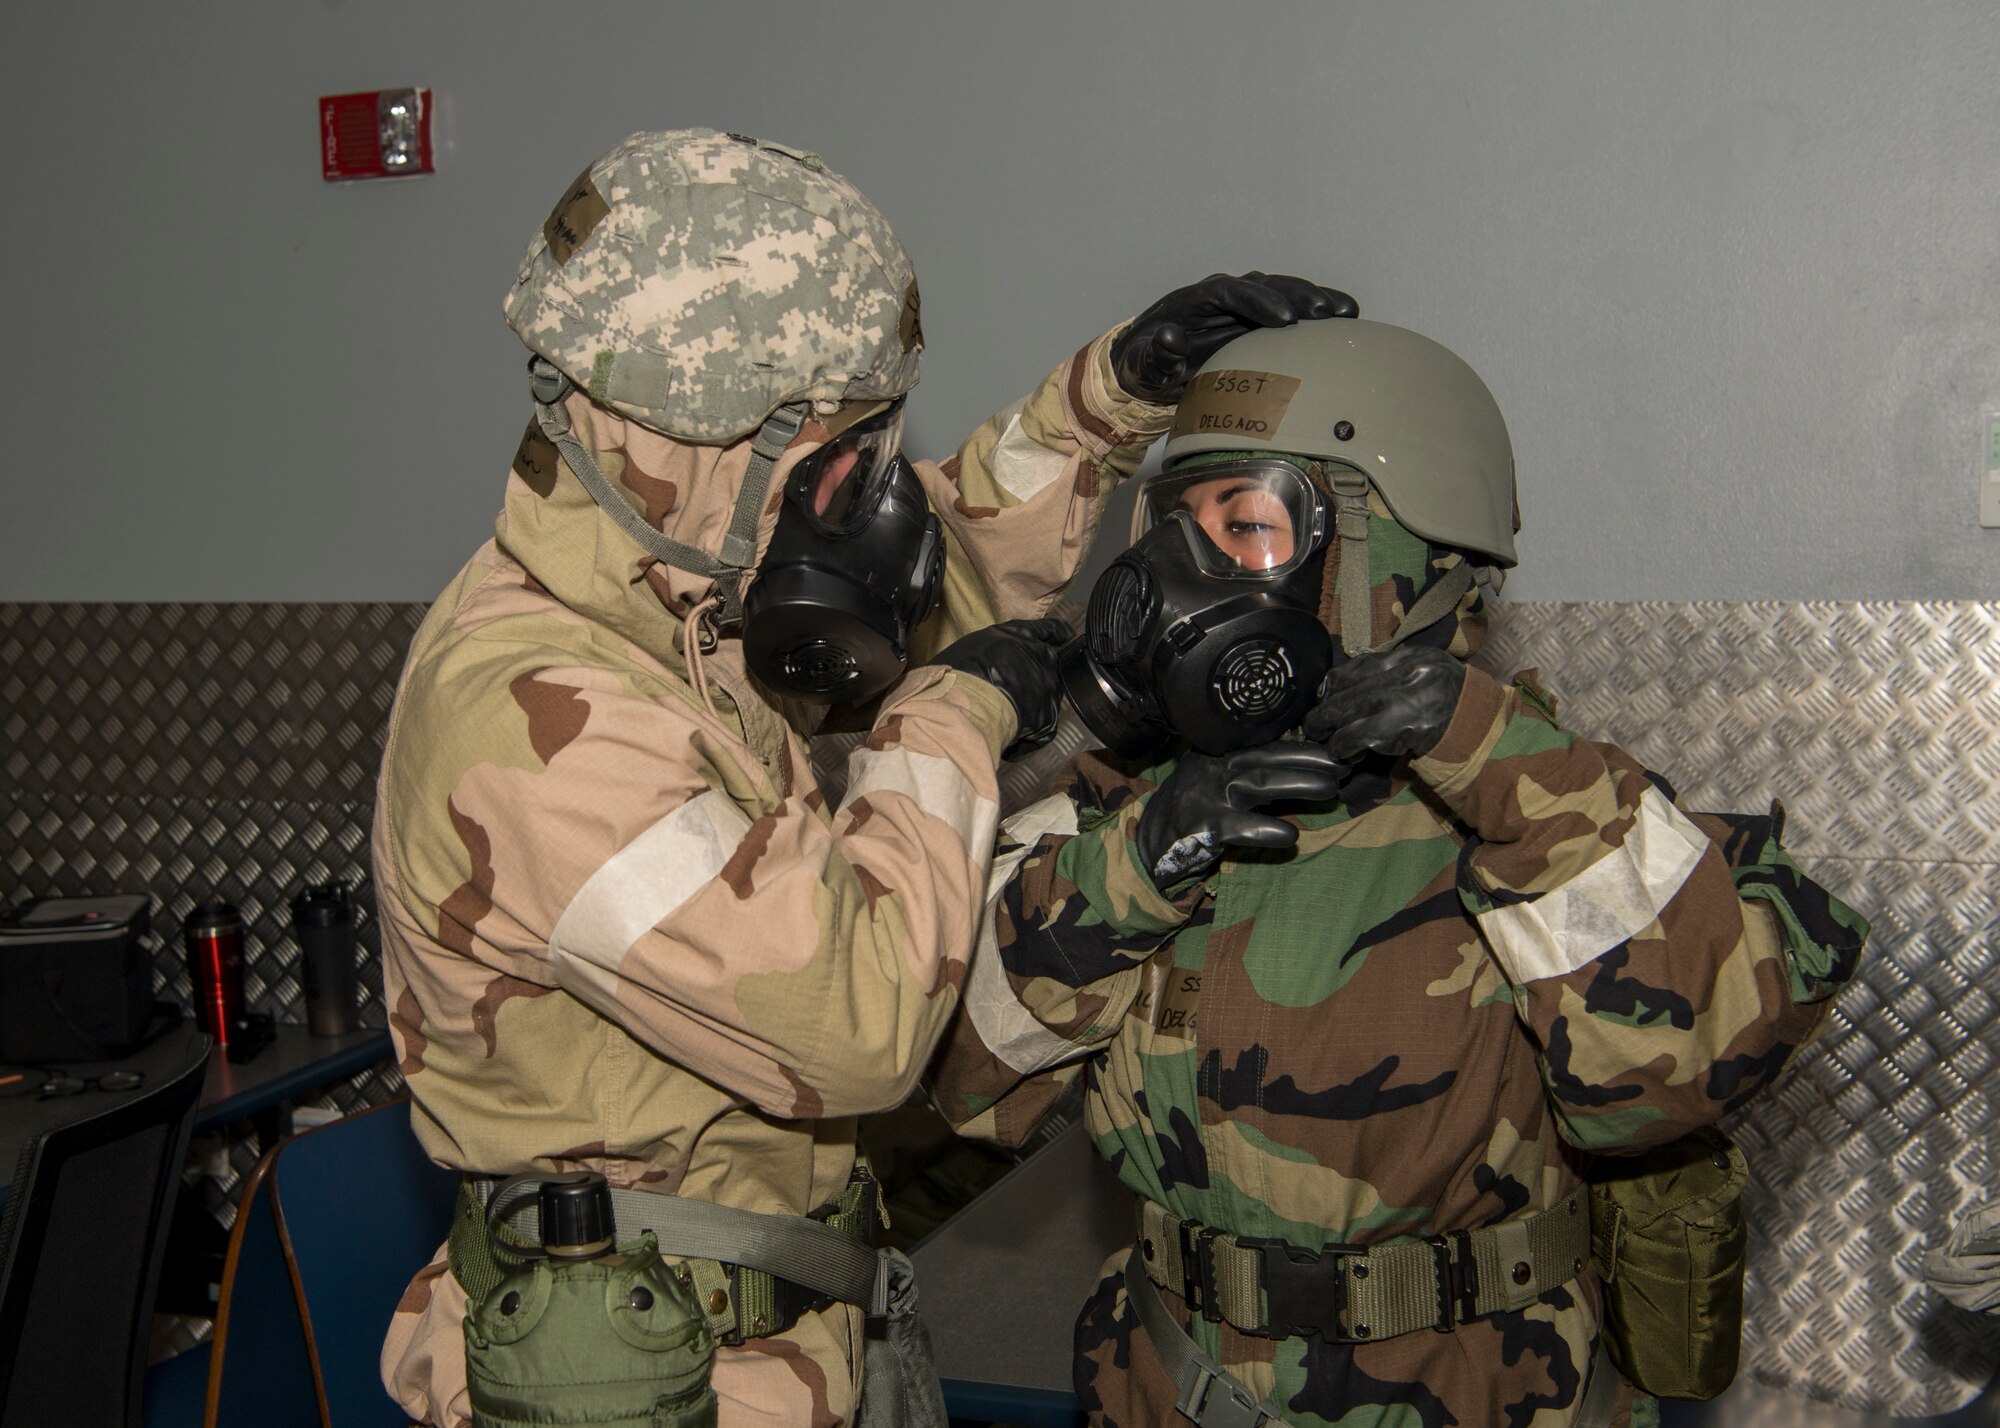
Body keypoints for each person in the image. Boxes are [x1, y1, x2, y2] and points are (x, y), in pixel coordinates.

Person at [372, 125, 1356, 1427]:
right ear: (715, 433)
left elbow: (918, 583)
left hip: (785, 1321)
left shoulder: (681, 616)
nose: (865, 494)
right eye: (845, 453)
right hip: (650, 1376)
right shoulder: (539, 720)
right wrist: (953, 711)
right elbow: (859, 1020)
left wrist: (1108, 399)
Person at [931, 318, 1869, 1427]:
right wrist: (1136, 865)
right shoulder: (1129, 813)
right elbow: (967, 1087)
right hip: (1167, 1379)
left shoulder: (1558, 816)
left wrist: (1489, 756)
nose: (1187, 577)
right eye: (1175, 530)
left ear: (1401, 556)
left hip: (1475, 1391)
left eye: (1245, 525)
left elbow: (1666, 1084)